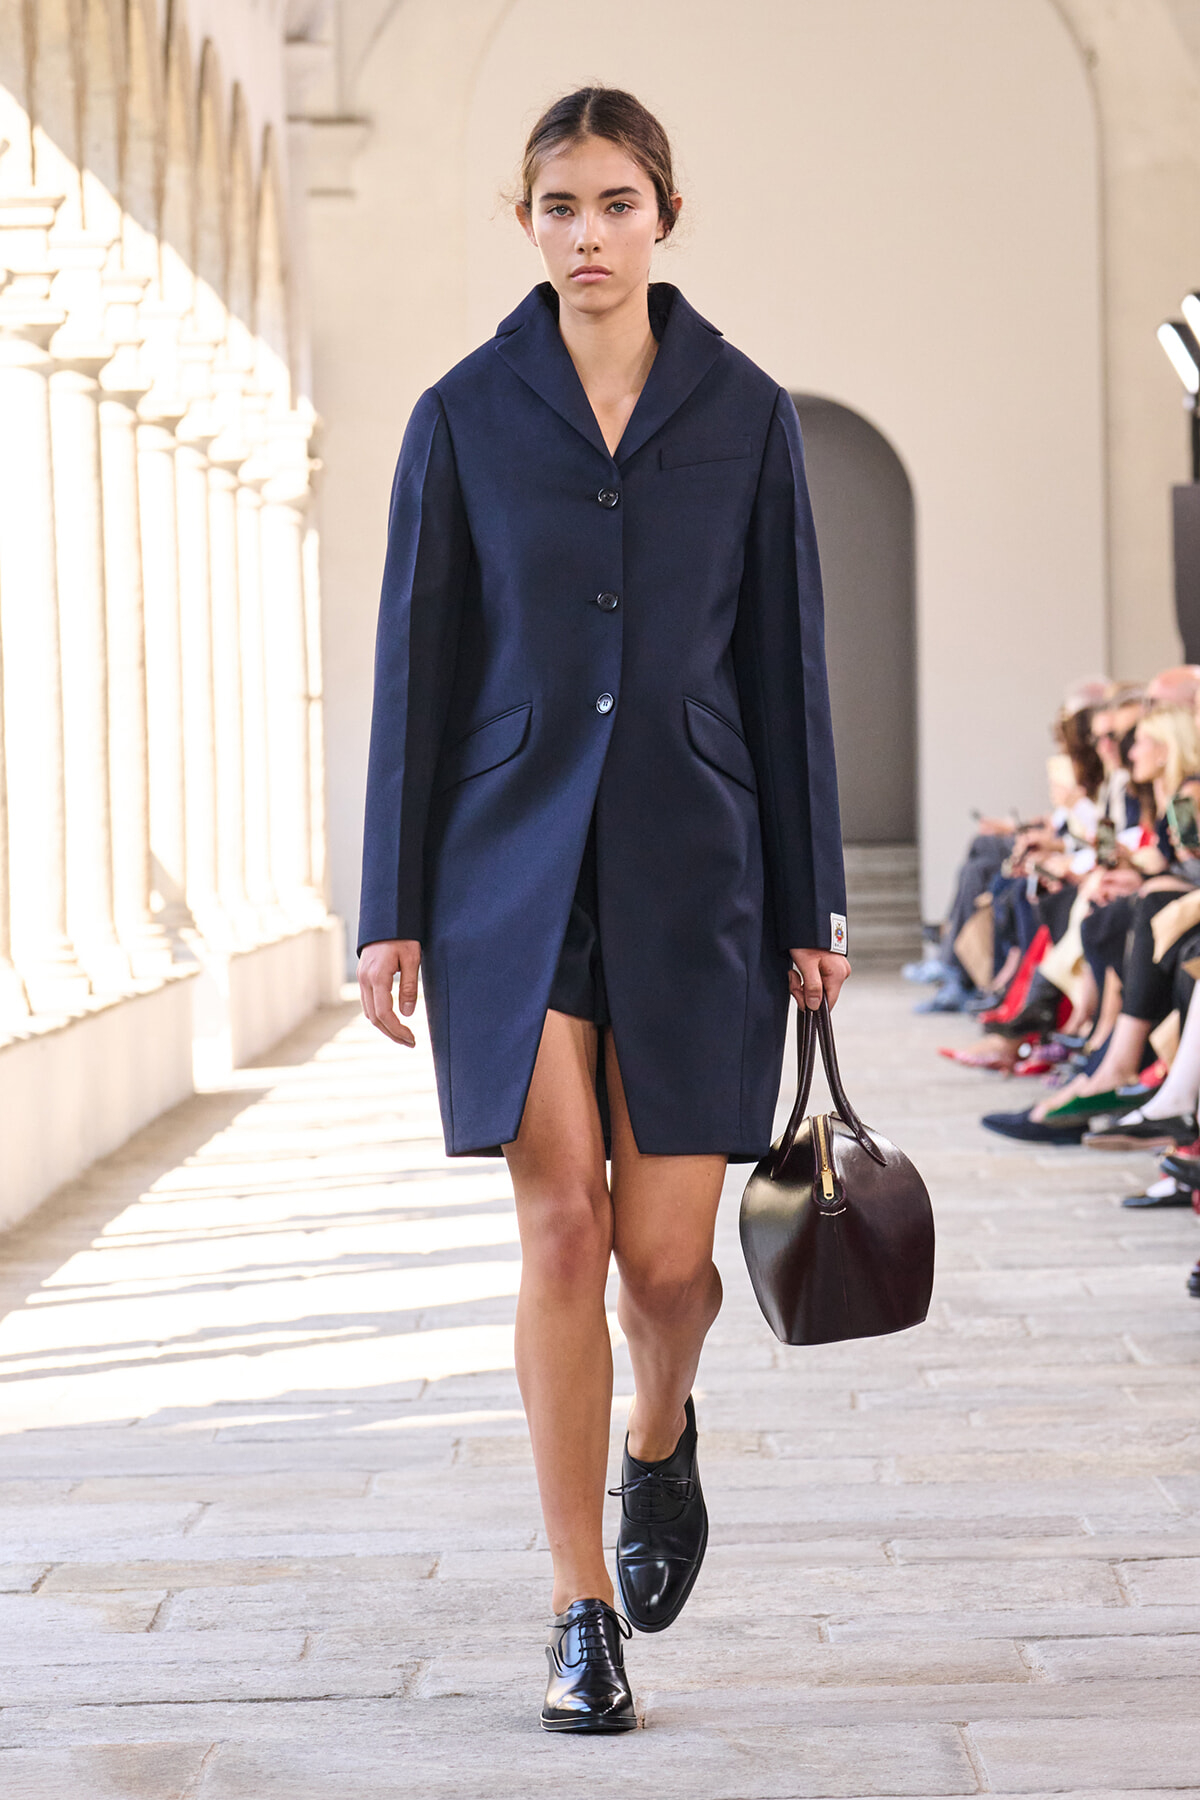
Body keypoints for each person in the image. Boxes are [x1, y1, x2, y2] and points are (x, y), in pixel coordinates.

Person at [355, 87, 849, 1734]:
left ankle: (659, 1433)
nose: (586, 232)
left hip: (698, 870)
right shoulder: (464, 411)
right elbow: (415, 671)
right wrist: (390, 905)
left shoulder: (748, 409)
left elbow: (785, 669)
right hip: (508, 878)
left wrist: (816, 897)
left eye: (616, 202)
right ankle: (578, 1607)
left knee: (667, 1263)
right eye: (559, 204)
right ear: (526, 223)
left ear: (665, 215)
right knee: (562, 1231)